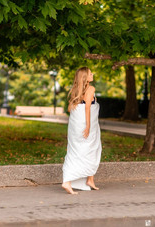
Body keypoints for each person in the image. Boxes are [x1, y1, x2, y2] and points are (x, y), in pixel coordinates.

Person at [62, 67, 102, 195]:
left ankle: (90, 180)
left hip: (75, 125)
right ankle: (67, 181)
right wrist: (88, 127)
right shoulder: (91, 89)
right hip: (85, 124)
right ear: (85, 77)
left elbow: (71, 108)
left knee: (76, 150)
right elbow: (87, 109)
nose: (92, 74)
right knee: (92, 148)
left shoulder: (75, 90)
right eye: (90, 73)